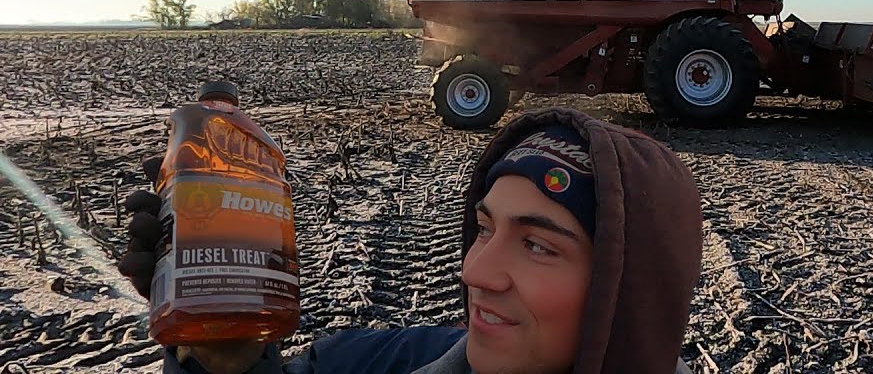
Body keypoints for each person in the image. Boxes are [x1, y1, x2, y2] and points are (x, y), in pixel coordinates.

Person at [117, 107, 704, 374]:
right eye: (485, 228)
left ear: (625, 292)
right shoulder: (378, 362)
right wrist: (227, 358)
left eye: (538, 245)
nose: (475, 273)